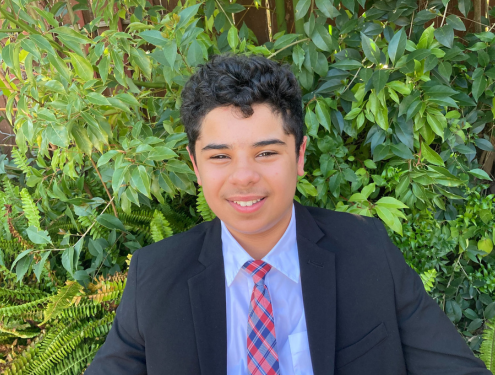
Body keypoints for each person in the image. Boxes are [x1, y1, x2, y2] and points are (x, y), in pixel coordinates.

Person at [84, 53, 491, 375]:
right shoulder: (154, 276)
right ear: (195, 166)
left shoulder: (368, 251)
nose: (244, 177)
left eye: (265, 153)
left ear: (299, 155)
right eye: (220, 156)